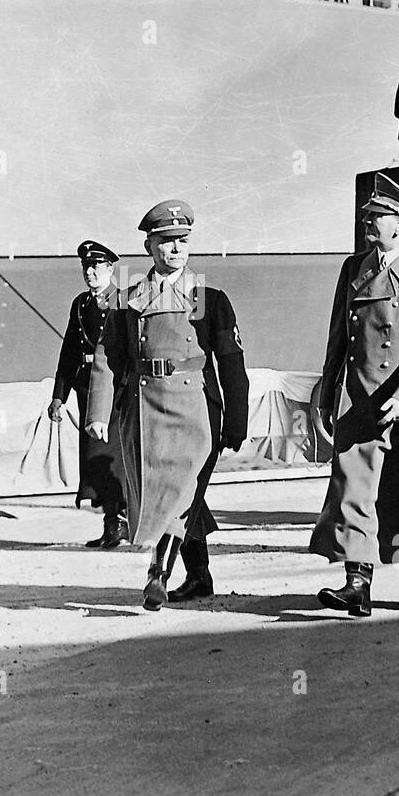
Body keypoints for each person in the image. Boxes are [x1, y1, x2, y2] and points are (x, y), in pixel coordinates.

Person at [86, 201, 249, 610]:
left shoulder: (209, 296)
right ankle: (199, 575)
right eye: (165, 241)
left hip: (197, 408)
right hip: (145, 408)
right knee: (170, 491)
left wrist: (238, 419)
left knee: (178, 489)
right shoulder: (126, 298)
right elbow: (108, 357)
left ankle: (157, 573)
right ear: (149, 245)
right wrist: (97, 414)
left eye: (182, 241)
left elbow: (231, 361)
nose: (175, 249)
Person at [309, 175, 399, 615]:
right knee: (355, 486)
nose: (368, 220)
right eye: (369, 214)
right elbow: (339, 338)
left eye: (379, 216)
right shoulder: (354, 269)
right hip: (358, 396)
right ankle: (357, 584)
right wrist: (326, 390)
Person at [49, 241, 129, 549]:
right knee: (94, 461)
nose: (90, 272)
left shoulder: (122, 303)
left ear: (111, 269)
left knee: (114, 459)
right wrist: (59, 395)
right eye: (86, 267)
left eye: (97, 267)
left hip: (115, 393)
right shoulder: (81, 304)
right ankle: (112, 524)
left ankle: (123, 522)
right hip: (86, 388)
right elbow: (69, 351)